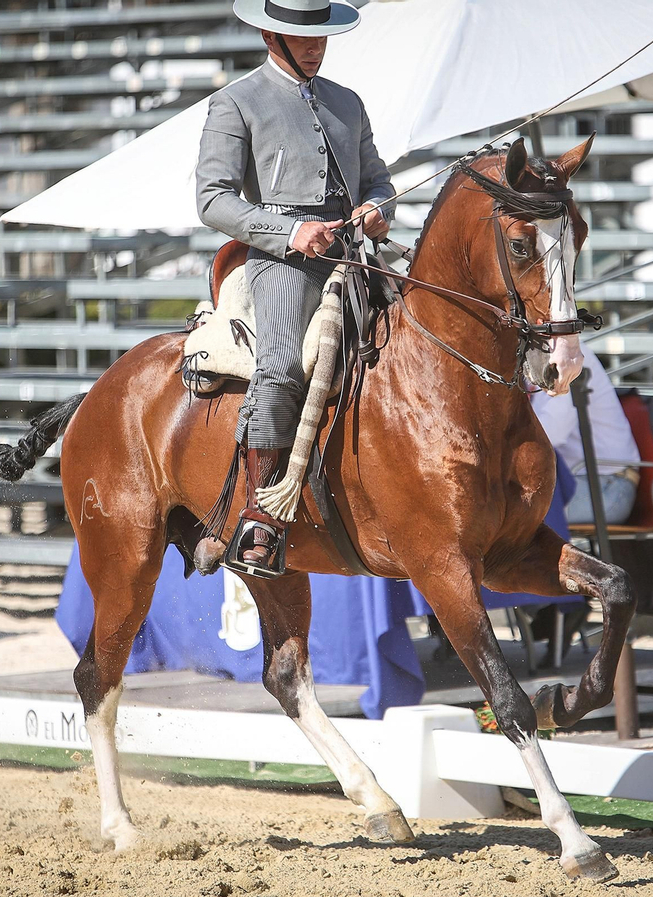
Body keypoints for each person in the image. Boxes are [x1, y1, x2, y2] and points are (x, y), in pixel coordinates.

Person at [195, 0, 395, 577]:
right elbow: (213, 200)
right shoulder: (236, 101)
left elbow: (378, 180)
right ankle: (262, 514)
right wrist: (291, 231)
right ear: (269, 33)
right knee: (282, 365)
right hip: (280, 265)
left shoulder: (347, 102)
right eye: (301, 37)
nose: (315, 46)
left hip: (355, 257)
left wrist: (378, 209)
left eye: (321, 37)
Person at [530, 348, 641, 525]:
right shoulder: (533, 356)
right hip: (577, 481)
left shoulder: (565, 355)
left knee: (504, 510)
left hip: (607, 488)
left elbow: (550, 434)